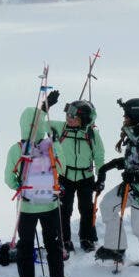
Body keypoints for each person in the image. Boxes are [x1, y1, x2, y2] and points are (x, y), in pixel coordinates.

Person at [94, 98, 139, 269]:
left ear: (137, 115)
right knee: (107, 206)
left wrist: (134, 178)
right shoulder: (135, 136)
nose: (124, 118)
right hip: (131, 188)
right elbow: (133, 161)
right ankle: (115, 247)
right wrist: (109, 166)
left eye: (127, 115)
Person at [4, 106, 67, 277]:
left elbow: (9, 178)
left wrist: (20, 187)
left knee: (25, 245)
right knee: (53, 244)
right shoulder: (50, 146)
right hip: (50, 204)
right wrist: (56, 144)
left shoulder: (16, 149)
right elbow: (61, 169)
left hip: (27, 207)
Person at [47, 98, 105, 253]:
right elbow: (39, 124)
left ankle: (86, 238)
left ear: (84, 119)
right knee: (64, 209)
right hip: (65, 176)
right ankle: (64, 240)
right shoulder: (61, 128)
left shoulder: (92, 134)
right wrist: (45, 106)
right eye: (68, 115)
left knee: (86, 209)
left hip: (86, 177)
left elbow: (99, 157)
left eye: (74, 117)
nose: (69, 119)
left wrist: (101, 178)